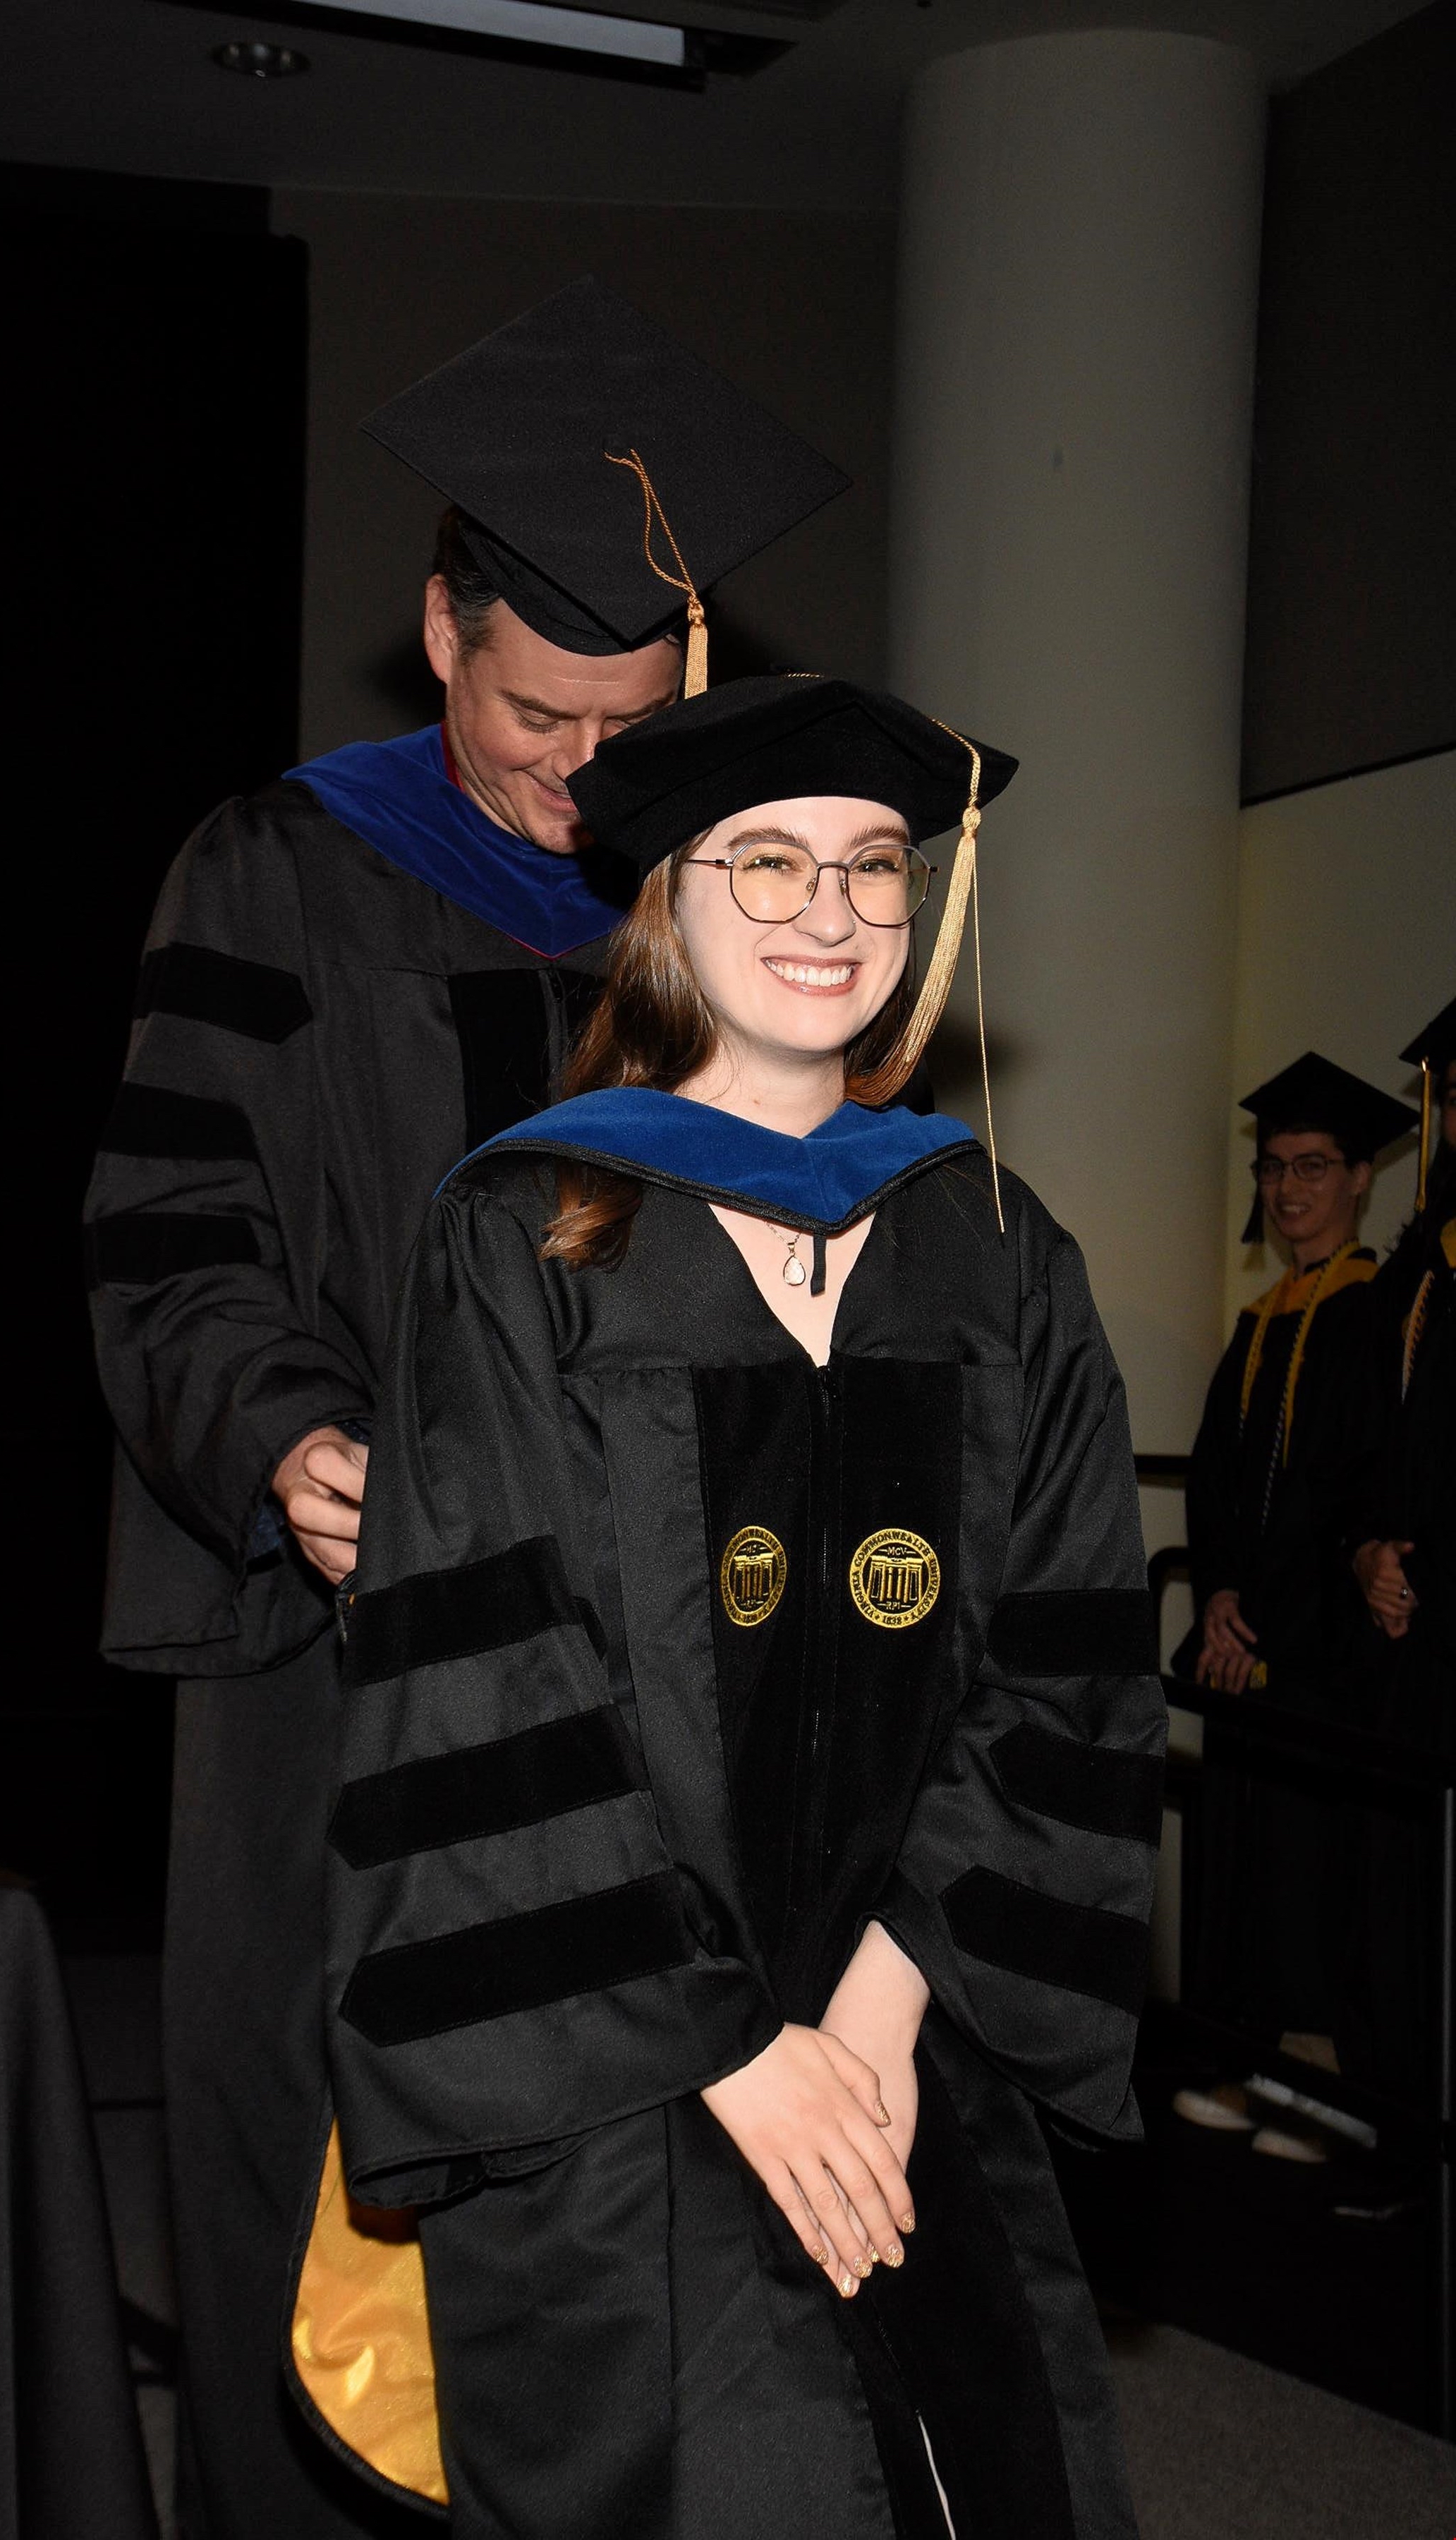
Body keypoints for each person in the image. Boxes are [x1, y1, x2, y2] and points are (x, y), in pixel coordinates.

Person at [83, 280, 847, 2538]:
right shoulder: (279, 869)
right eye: (531, 712)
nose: (573, 775)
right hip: (348, 1647)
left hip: (652, 1665)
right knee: (312, 2161)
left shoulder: (734, 912)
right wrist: (287, 1444)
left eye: (625, 724)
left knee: (631, 2161)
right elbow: (168, 1233)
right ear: (439, 631)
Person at [312, 675, 1165, 2540]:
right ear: (666, 901)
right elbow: (484, 1683)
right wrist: (727, 2042)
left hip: (912, 2024)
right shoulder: (530, 1236)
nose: (828, 910)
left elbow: (1069, 1657)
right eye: (761, 861)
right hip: (620, 2062)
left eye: (870, 867)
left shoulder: (1000, 1248)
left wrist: (878, 1997)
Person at [1174, 1054, 1414, 2149]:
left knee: (1318, 1870)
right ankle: (1247, 2056)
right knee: (1241, 1858)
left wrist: (1270, 1620)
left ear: (1362, 1178)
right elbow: (1222, 1489)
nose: (1287, 1189)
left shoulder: (1381, 1316)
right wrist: (1218, 1594)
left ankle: (1325, 2085)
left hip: (1328, 1656)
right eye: (1273, 1169)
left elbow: (1362, 1491)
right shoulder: (1260, 1320)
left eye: (1311, 1167)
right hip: (1250, 1641)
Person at [1337, 996, 1456, 2100]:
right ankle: (1403, 2139)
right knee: (1403, 1894)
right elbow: (1369, 1457)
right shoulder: (1414, 1279)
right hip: (1405, 1643)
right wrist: (1369, 1553)